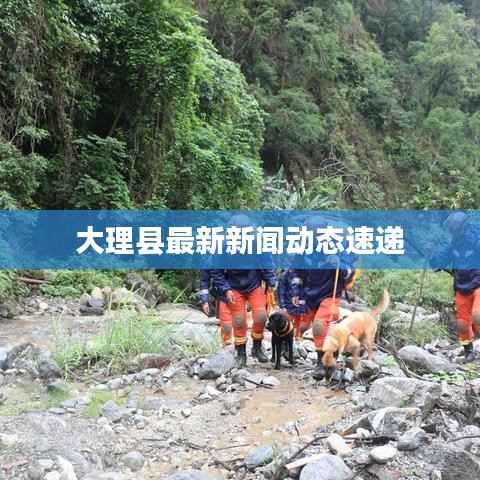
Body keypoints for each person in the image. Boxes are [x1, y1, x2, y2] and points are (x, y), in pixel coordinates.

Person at [291, 259, 355, 380]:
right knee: (311, 327)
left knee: (319, 324)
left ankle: (322, 362)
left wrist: (339, 264)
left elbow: (349, 272)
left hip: (330, 294)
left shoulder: (339, 250)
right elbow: (296, 271)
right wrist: (296, 291)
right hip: (309, 295)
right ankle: (326, 358)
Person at [431, 212, 480, 362]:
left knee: (477, 315)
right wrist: (432, 257)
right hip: (461, 287)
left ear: (461, 227)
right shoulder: (453, 245)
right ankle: (469, 352)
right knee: (462, 323)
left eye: (453, 229)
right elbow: (440, 261)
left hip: (478, 283)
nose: (451, 231)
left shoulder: (476, 239)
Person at [211, 269, 276, 366]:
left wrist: (271, 280)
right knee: (239, 320)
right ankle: (241, 353)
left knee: (261, 316)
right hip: (233, 286)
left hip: (254, 283)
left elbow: (266, 262)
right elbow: (216, 271)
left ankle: (257, 348)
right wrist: (226, 289)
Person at [199, 269, 233, 346]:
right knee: (225, 322)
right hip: (221, 295)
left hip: (240, 291)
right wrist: (205, 301)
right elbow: (204, 281)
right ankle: (227, 343)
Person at [277, 269, 307, 339]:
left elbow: (305, 289)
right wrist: (283, 306)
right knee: (287, 323)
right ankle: (286, 338)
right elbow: (281, 291)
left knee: (300, 322)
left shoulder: (304, 274)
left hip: (300, 304)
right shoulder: (284, 275)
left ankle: (298, 337)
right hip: (288, 305)